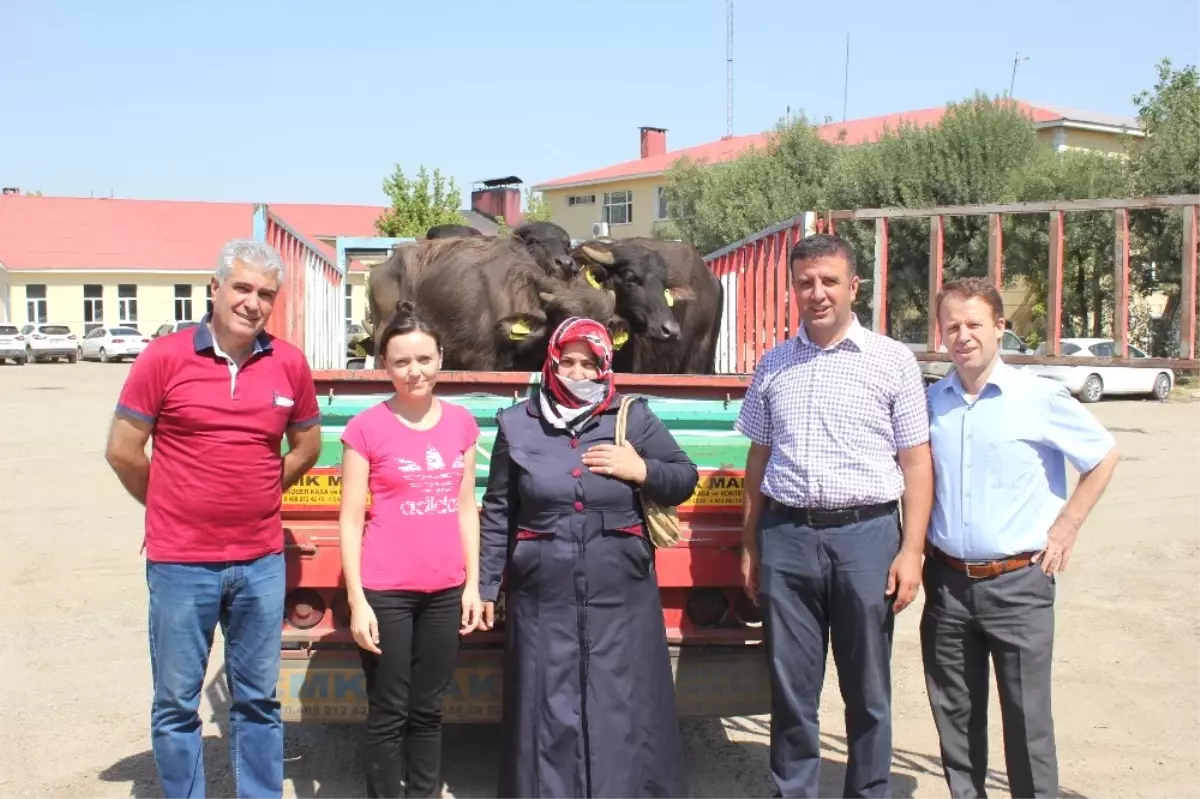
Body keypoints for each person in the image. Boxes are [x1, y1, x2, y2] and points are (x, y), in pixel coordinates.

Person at [104, 238, 323, 799]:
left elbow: (306, 446)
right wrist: (168, 505)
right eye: (243, 288)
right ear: (215, 289)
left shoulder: (289, 364)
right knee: (177, 702)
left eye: (265, 294)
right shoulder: (165, 358)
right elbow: (124, 449)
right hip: (182, 565)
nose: (253, 303)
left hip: (260, 563)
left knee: (258, 700)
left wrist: (260, 490)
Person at [736, 233, 934, 799]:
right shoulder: (774, 363)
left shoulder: (893, 361)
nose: (816, 293)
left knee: (867, 689)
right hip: (788, 536)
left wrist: (911, 550)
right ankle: (794, 791)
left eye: (828, 281)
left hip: (867, 538)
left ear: (854, 286)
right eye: (805, 282)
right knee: (792, 689)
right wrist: (750, 542)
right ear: (793, 288)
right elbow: (759, 456)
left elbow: (917, 464)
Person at [476, 316, 698, 799]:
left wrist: (641, 469)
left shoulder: (632, 417)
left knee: (618, 700)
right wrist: (487, 585)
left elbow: (684, 477)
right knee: (547, 704)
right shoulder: (517, 423)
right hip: (543, 592)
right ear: (551, 362)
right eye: (568, 361)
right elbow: (498, 510)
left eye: (589, 363)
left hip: (620, 589)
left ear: (605, 366)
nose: (578, 372)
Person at [923, 277, 1118, 799]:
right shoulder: (931, 403)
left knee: (1027, 723)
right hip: (946, 586)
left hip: (1018, 587)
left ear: (1000, 328)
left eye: (974, 324)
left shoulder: (1038, 397)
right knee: (956, 720)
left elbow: (1102, 456)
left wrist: (1068, 524)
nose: (962, 336)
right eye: (952, 326)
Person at [338, 300, 483, 799]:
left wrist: (474, 585)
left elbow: (467, 508)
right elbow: (351, 516)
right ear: (385, 366)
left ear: (441, 358)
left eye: (423, 359)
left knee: (429, 709)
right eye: (401, 361)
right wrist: (357, 601)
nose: (414, 371)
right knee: (389, 710)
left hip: (445, 590)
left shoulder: (462, 424)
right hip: (386, 592)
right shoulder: (365, 428)